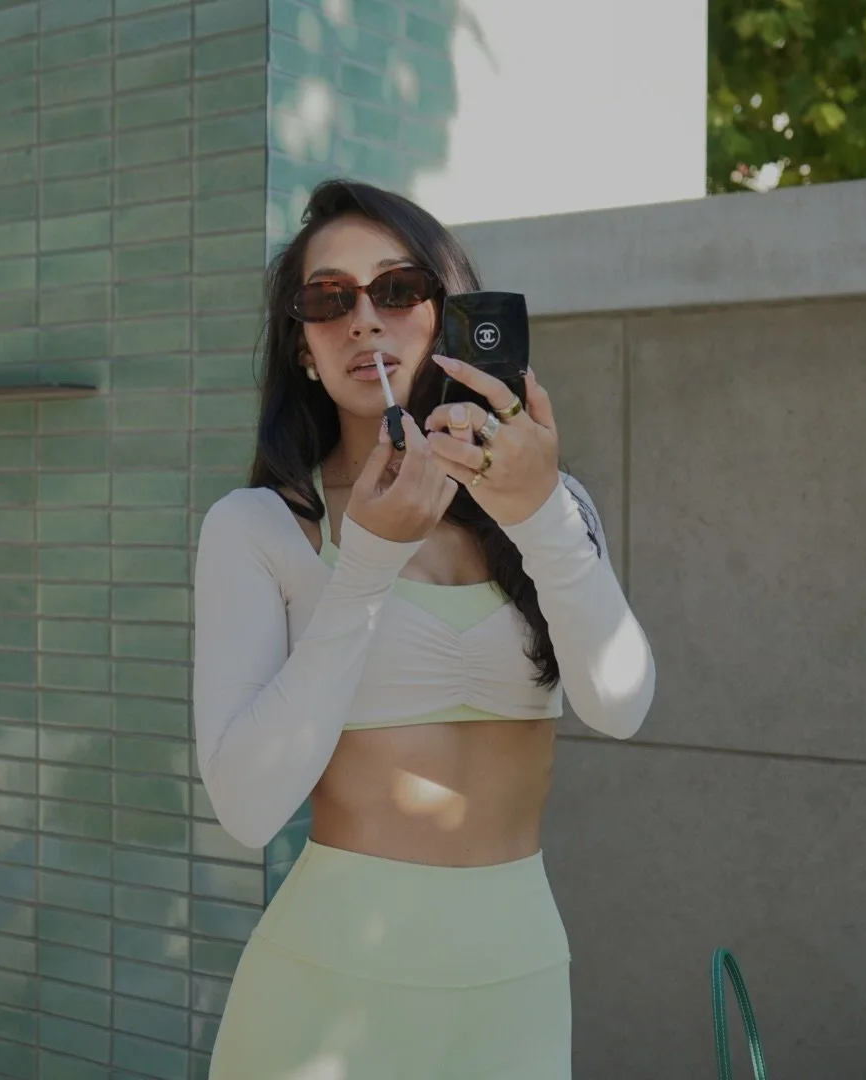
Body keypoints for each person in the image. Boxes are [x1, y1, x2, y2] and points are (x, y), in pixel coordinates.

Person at [191, 178, 656, 1079]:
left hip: (516, 984)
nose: (365, 319)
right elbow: (247, 810)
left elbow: (622, 704)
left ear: (446, 314)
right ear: (302, 347)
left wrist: (541, 516)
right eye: (329, 300)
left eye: (397, 289)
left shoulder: (551, 506)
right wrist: (365, 563)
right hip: (328, 992)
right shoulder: (259, 528)